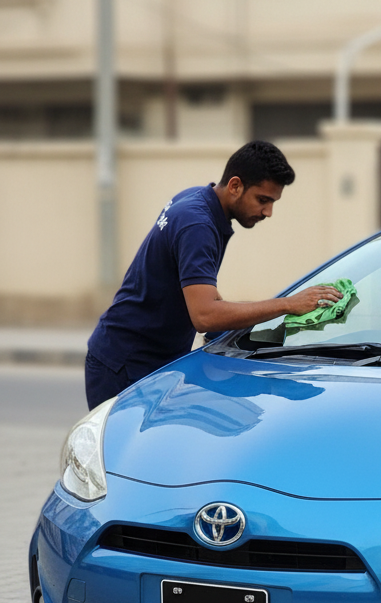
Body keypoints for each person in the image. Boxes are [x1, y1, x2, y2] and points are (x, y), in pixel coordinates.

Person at [84, 140, 342, 409]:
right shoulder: (198, 224)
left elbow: (195, 285)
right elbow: (205, 316)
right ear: (235, 186)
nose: (268, 212)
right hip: (125, 363)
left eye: (273, 202)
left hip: (154, 361)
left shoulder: (197, 200)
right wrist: (288, 304)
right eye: (262, 200)